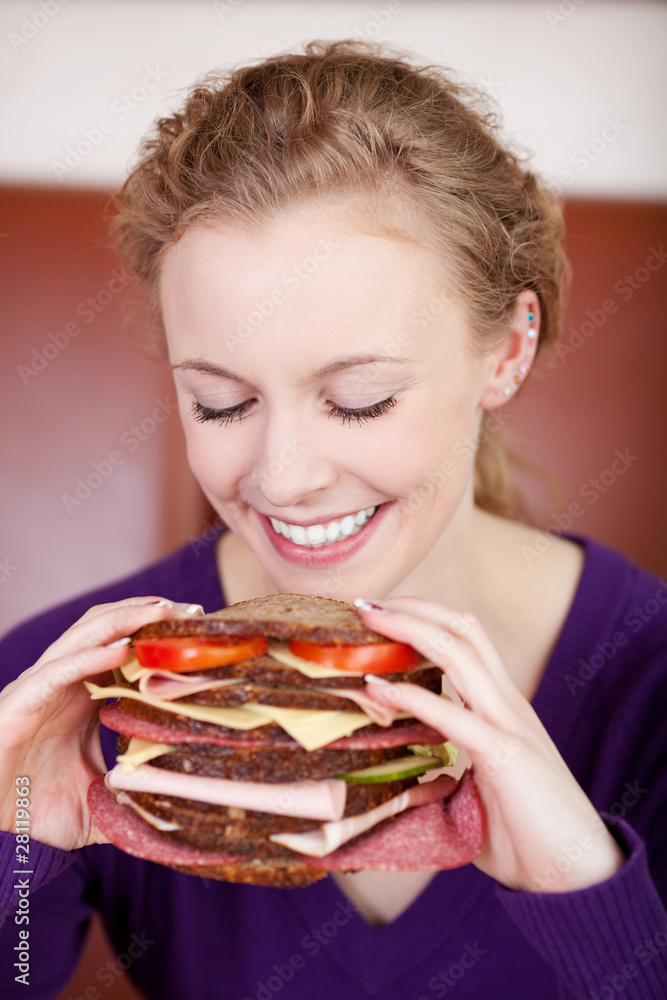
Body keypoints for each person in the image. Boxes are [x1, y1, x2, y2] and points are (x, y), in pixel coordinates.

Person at [1, 38, 665, 1000]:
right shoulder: (59, 701)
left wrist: (588, 898)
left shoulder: (646, 688)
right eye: (220, 403)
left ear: (507, 351)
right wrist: (14, 853)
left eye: (358, 399)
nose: (283, 477)